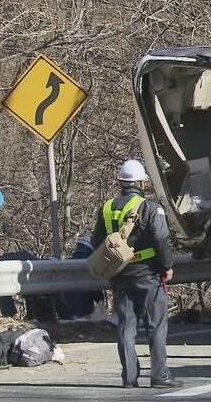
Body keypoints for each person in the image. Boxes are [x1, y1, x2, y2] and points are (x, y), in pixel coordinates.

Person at [91, 159, 183, 389]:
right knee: (156, 325)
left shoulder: (106, 208)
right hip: (148, 275)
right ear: (141, 183)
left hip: (120, 274)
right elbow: (160, 238)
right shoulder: (149, 208)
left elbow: (96, 242)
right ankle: (160, 376)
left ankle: (129, 377)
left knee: (126, 326)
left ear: (121, 182)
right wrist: (167, 266)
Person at [56, 237, 105, 320]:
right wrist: (101, 300)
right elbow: (96, 292)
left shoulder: (65, 265)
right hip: (85, 314)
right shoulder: (91, 266)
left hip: (65, 315)